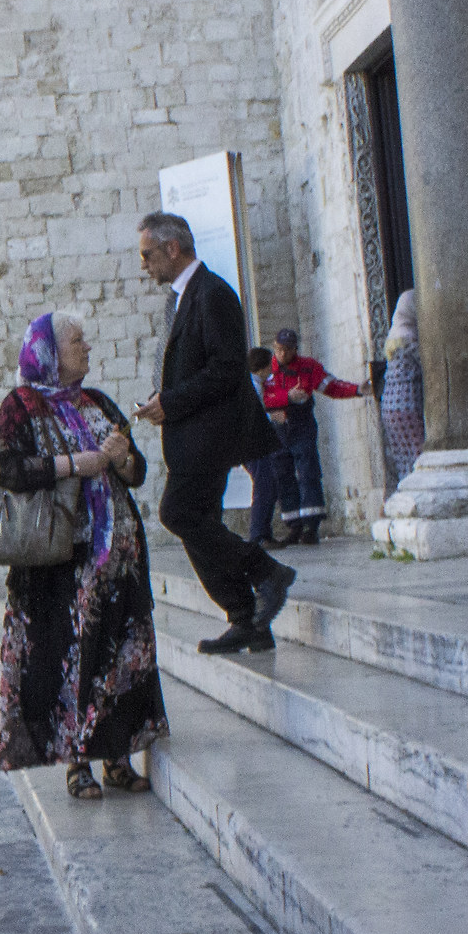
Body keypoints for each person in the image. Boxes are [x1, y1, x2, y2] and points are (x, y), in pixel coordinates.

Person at [0, 314, 169, 799]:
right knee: (69, 658)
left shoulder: (98, 403)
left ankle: (118, 758)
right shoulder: (21, 406)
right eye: (76, 341)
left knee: (120, 660)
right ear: (49, 352)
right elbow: (6, 468)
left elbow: (136, 473)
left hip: (117, 562)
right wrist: (74, 464)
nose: (87, 347)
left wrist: (122, 458)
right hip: (60, 564)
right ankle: (77, 764)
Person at [129, 212, 296, 655]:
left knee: (178, 513)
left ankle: (265, 571)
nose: (144, 265)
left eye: (147, 254)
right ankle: (247, 620)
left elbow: (226, 370)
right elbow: (193, 367)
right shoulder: (183, 297)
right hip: (191, 434)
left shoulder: (214, 293)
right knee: (199, 522)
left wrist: (171, 402)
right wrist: (162, 400)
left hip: (211, 435)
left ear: (172, 248)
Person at [260, 328, 365, 545]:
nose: (282, 354)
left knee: (308, 473)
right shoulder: (266, 369)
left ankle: (311, 526)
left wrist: (357, 390)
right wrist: (287, 397)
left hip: (302, 426)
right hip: (277, 429)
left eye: (287, 350)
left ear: (295, 349)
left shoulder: (308, 367)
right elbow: (259, 398)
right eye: (279, 349)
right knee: (283, 476)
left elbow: (331, 386)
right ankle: (294, 525)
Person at [242, 348, 288, 549]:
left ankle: (264, 533)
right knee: (264, 485)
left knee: (268, 485)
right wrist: (272, 416)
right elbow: (252, 414)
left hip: (255, 443)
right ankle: (259, 535)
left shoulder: (255, 384)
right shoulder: (250, 385)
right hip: (252, 444)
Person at [380, 291, 425, 490]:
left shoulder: (394, 340)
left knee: (402, 456)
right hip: (408, 405)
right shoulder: (409, 339)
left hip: (390, 408)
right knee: (418, 453)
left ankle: (406, 491)